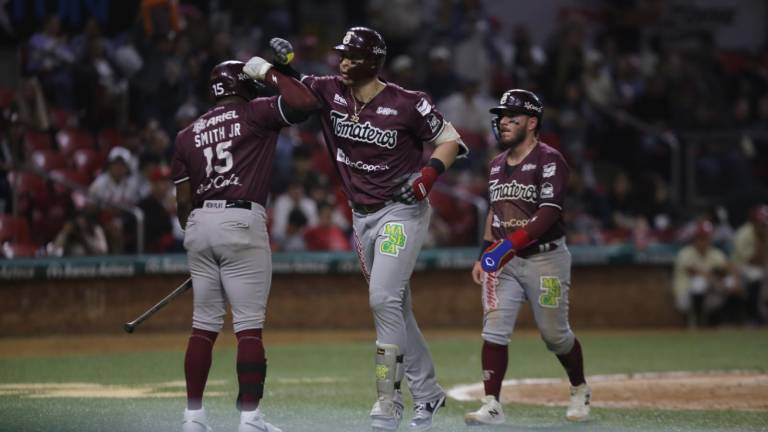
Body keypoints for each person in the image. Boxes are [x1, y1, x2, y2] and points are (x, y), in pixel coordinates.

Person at [269, 28, 468, 431]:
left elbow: (451, 141)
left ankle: (388, 402)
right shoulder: (326, 90)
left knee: (382, 299)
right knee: (396, 307)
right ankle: (427, 394)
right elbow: (296, 97)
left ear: (372, 61)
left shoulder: (409, 102)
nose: (342, 62)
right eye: (341, 55)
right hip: (361, 217)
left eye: (351, 57)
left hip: (401, 212)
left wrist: (428, 175)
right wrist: (276, 66)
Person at [170, 58, 318, 432]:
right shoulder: (256, 111)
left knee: (202, 327)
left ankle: (193, 419)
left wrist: (202, 246)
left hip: (199, 224)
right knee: (248, 329)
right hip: (241, 218)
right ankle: (250, 420)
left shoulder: (187, 133)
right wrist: (272, 72)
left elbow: (182, 202)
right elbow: (304, 103)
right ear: (244, 84)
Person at [465, 89, 590, 426]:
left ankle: (579, 388)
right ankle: (492, 403)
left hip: (545, 259)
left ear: (532, 122)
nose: (502, 122)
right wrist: (484, 254)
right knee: (494, 330)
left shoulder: (550, 160)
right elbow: (495, 213)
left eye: (511, 117)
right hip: (503, 261)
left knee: (555, 335)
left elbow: (548, 213)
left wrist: (506, 247)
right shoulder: (494, 166)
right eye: (501, 117)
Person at [731, 204, 767, 325]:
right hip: (741, 268)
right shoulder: (743, 234)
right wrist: (761, 240)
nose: (763, 226)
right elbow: (753, 261)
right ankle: (754, 316)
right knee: (756, 276)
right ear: (753, 222)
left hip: (763, 267)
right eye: (761, 223)